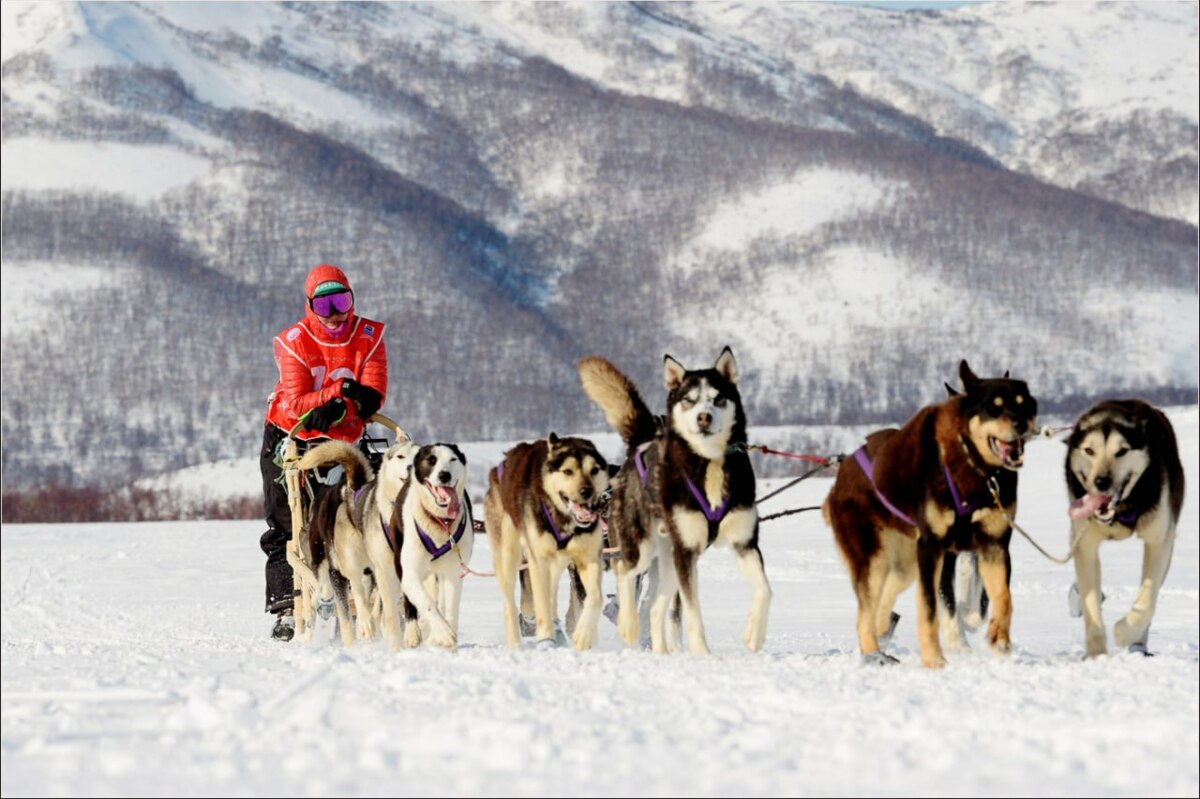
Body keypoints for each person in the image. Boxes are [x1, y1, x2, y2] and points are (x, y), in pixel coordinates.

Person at [259, 264, 388, 641]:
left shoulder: (370, 336)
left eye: (341, 301)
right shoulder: (294, 341)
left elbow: (373, 393)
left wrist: (347, 404)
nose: (334, 314)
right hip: (291, 434)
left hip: (346, 438)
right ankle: (286, 604)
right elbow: (299, 402)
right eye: (324, 304)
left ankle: (367, 587)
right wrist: (340, 393)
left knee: (366, 509)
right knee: (287, 521)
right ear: (309, 306)